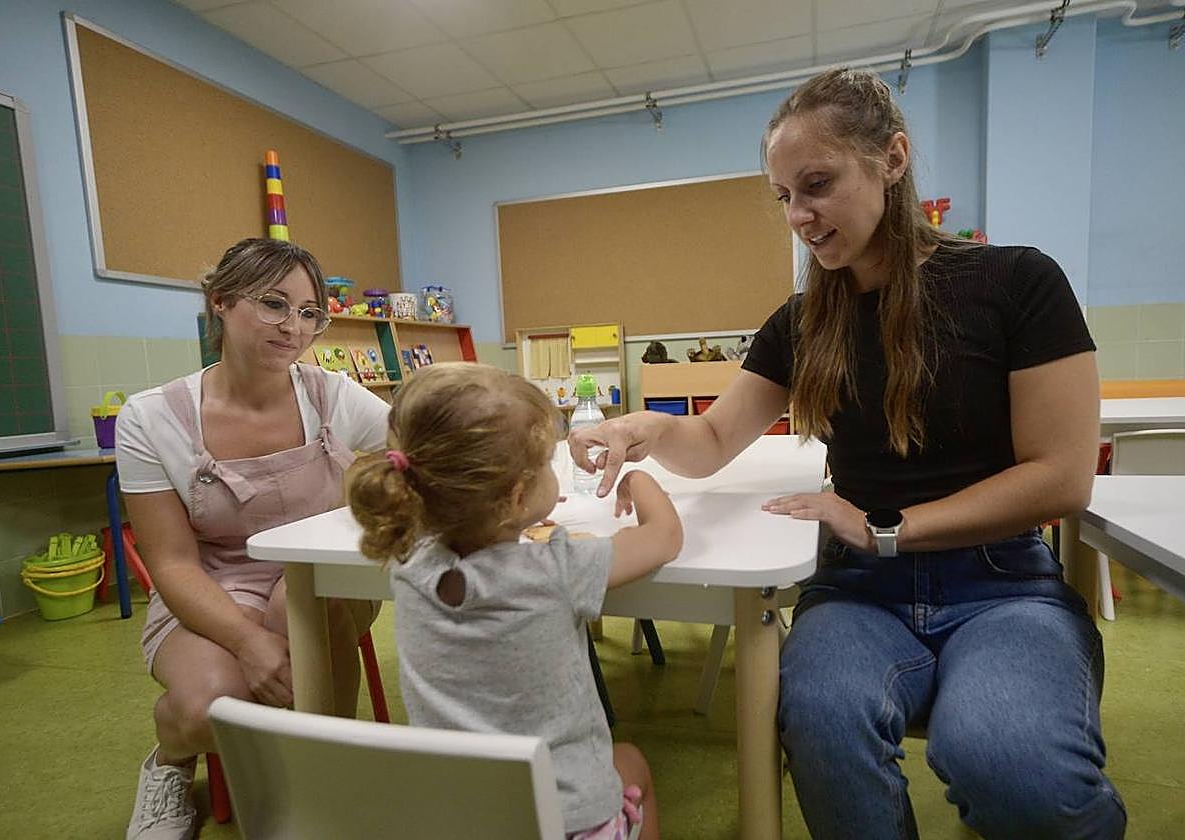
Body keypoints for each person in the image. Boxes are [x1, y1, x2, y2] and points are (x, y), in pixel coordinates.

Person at [569, 68, 1125, 839]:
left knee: (1007, 760)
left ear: (892, 159)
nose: (799, 214)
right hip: (861, 595)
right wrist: (646, 430)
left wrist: (886, 525)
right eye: (784, 197)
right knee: (824, 728)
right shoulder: (802, 322)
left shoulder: (1016, 282)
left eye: (818, 184)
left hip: (1003, 587)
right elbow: (711, 441)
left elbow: (1062, 478)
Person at [117, 238, 390, 840]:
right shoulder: (150, 417)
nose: (293, 327)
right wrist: (246, 642)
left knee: (310, 616)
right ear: (220, 301)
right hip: (212, 586)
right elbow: (170, 560)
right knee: (205, 708)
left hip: (320, 577)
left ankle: (324, 780)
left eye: (309, 312)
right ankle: (169, 758)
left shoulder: (334, 396)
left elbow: (424, 433)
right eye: (273, 304)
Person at [345, 363, 683, 840]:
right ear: (517, 496)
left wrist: (507, 518)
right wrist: (639, 482)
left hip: (457, 820)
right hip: (567, 820)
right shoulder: (555, 570)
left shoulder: (405, 560)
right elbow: (664, 537)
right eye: (547, 464)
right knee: (633, 763)